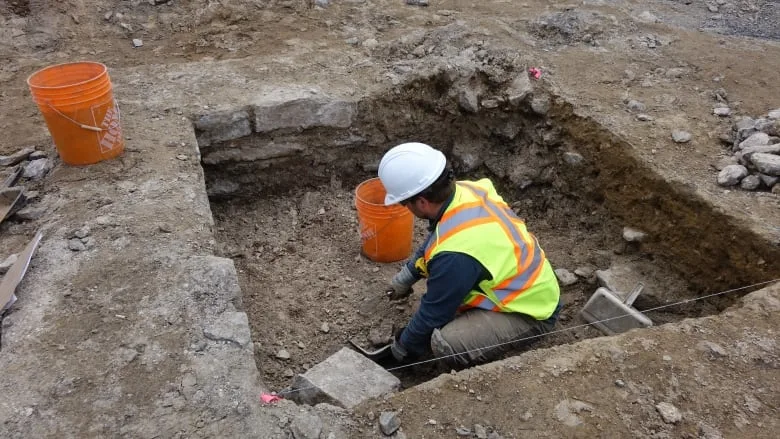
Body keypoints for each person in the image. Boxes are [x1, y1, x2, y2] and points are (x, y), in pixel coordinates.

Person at [378, 142, 562, 367]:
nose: (406, 207)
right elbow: (440, 234)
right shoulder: (467, 190)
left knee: (446, 343)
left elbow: (433, 313)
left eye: (405, 203)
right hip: (530, 283)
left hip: (532, 310)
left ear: (422, 202)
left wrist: (403, 349)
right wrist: (408, 274)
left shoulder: (454, 257)